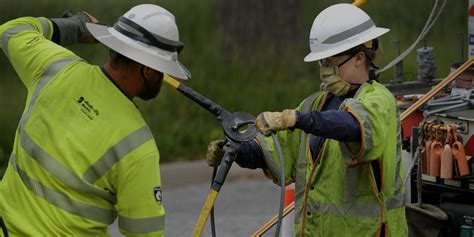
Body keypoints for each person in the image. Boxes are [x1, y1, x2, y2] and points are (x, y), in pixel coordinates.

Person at [207, 3, 407, 237]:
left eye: (331, 61)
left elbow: (353, 126)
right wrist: (235, 151)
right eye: (321, 63)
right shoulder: (315, 104)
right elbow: (277, 151)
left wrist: (299, 119)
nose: (324, 69)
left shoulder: (379, 101)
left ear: (359, 58)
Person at [0, 4, 190, 236]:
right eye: (162, 70)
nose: (162, 78)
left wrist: (77, 28)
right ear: (147, 71)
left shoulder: (55, 69)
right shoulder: (138, 147)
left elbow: (13, 30)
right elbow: (145, 233)